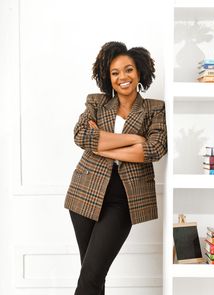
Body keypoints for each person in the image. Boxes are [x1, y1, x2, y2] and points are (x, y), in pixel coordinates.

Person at [64, 41, 167, 295]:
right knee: (93, 276)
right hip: (85, 193)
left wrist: (103, 145)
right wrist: (134, 139)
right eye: (115, 72)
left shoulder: (154, 108)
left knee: (91, 275)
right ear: (108, 78)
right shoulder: (97, 103)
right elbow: (82, 137)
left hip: (124, 199)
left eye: (129, 69)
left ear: (140, 72)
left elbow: (154, 149)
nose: (123, 77)